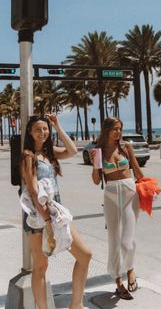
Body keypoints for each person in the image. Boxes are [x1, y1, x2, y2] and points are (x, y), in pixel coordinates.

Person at [21, 114, 91, 309]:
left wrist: (58, 126)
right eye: (37, 129)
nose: (42, 132)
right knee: (41, 267)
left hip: (57, 214)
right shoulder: (29, 155)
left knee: (85, 255)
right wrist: (47, 220)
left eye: (45, 129)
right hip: (38, 218)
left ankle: (75, 305)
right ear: (29, 132)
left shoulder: (49, 153)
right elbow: (34, 190)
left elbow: (73, 150)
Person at [91, 117, 144, 300]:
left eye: (120, 129)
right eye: (115, 129)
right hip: (111, 194)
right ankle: (118, 281)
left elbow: (137, 172)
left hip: (130, 192)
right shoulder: (98, 152)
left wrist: (149, 188)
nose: (119, 132)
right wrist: (94, 164)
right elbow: (97, 180)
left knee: (127, 242)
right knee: (113, 239)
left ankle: (130, 268)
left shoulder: (126, 147)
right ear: (106, 130)